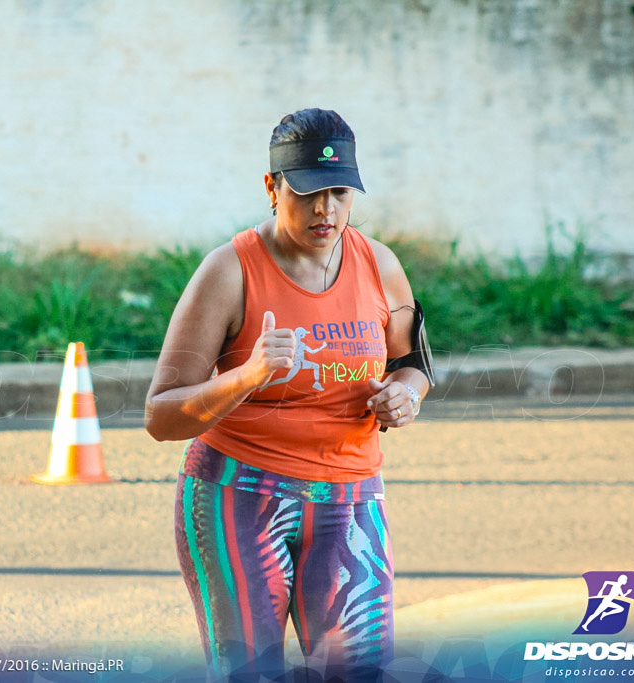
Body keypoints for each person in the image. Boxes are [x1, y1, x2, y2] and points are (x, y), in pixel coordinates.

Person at [145, 108, 434, 681]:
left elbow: (413, 361)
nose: (326, 209)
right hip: (239, 499)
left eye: (339, 192)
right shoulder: (228, 272)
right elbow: (161, 415)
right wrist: (248, 376)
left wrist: (405, 394)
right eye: (307, 192)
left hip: (350, 500)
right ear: (272, 188)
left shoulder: (379, 264)